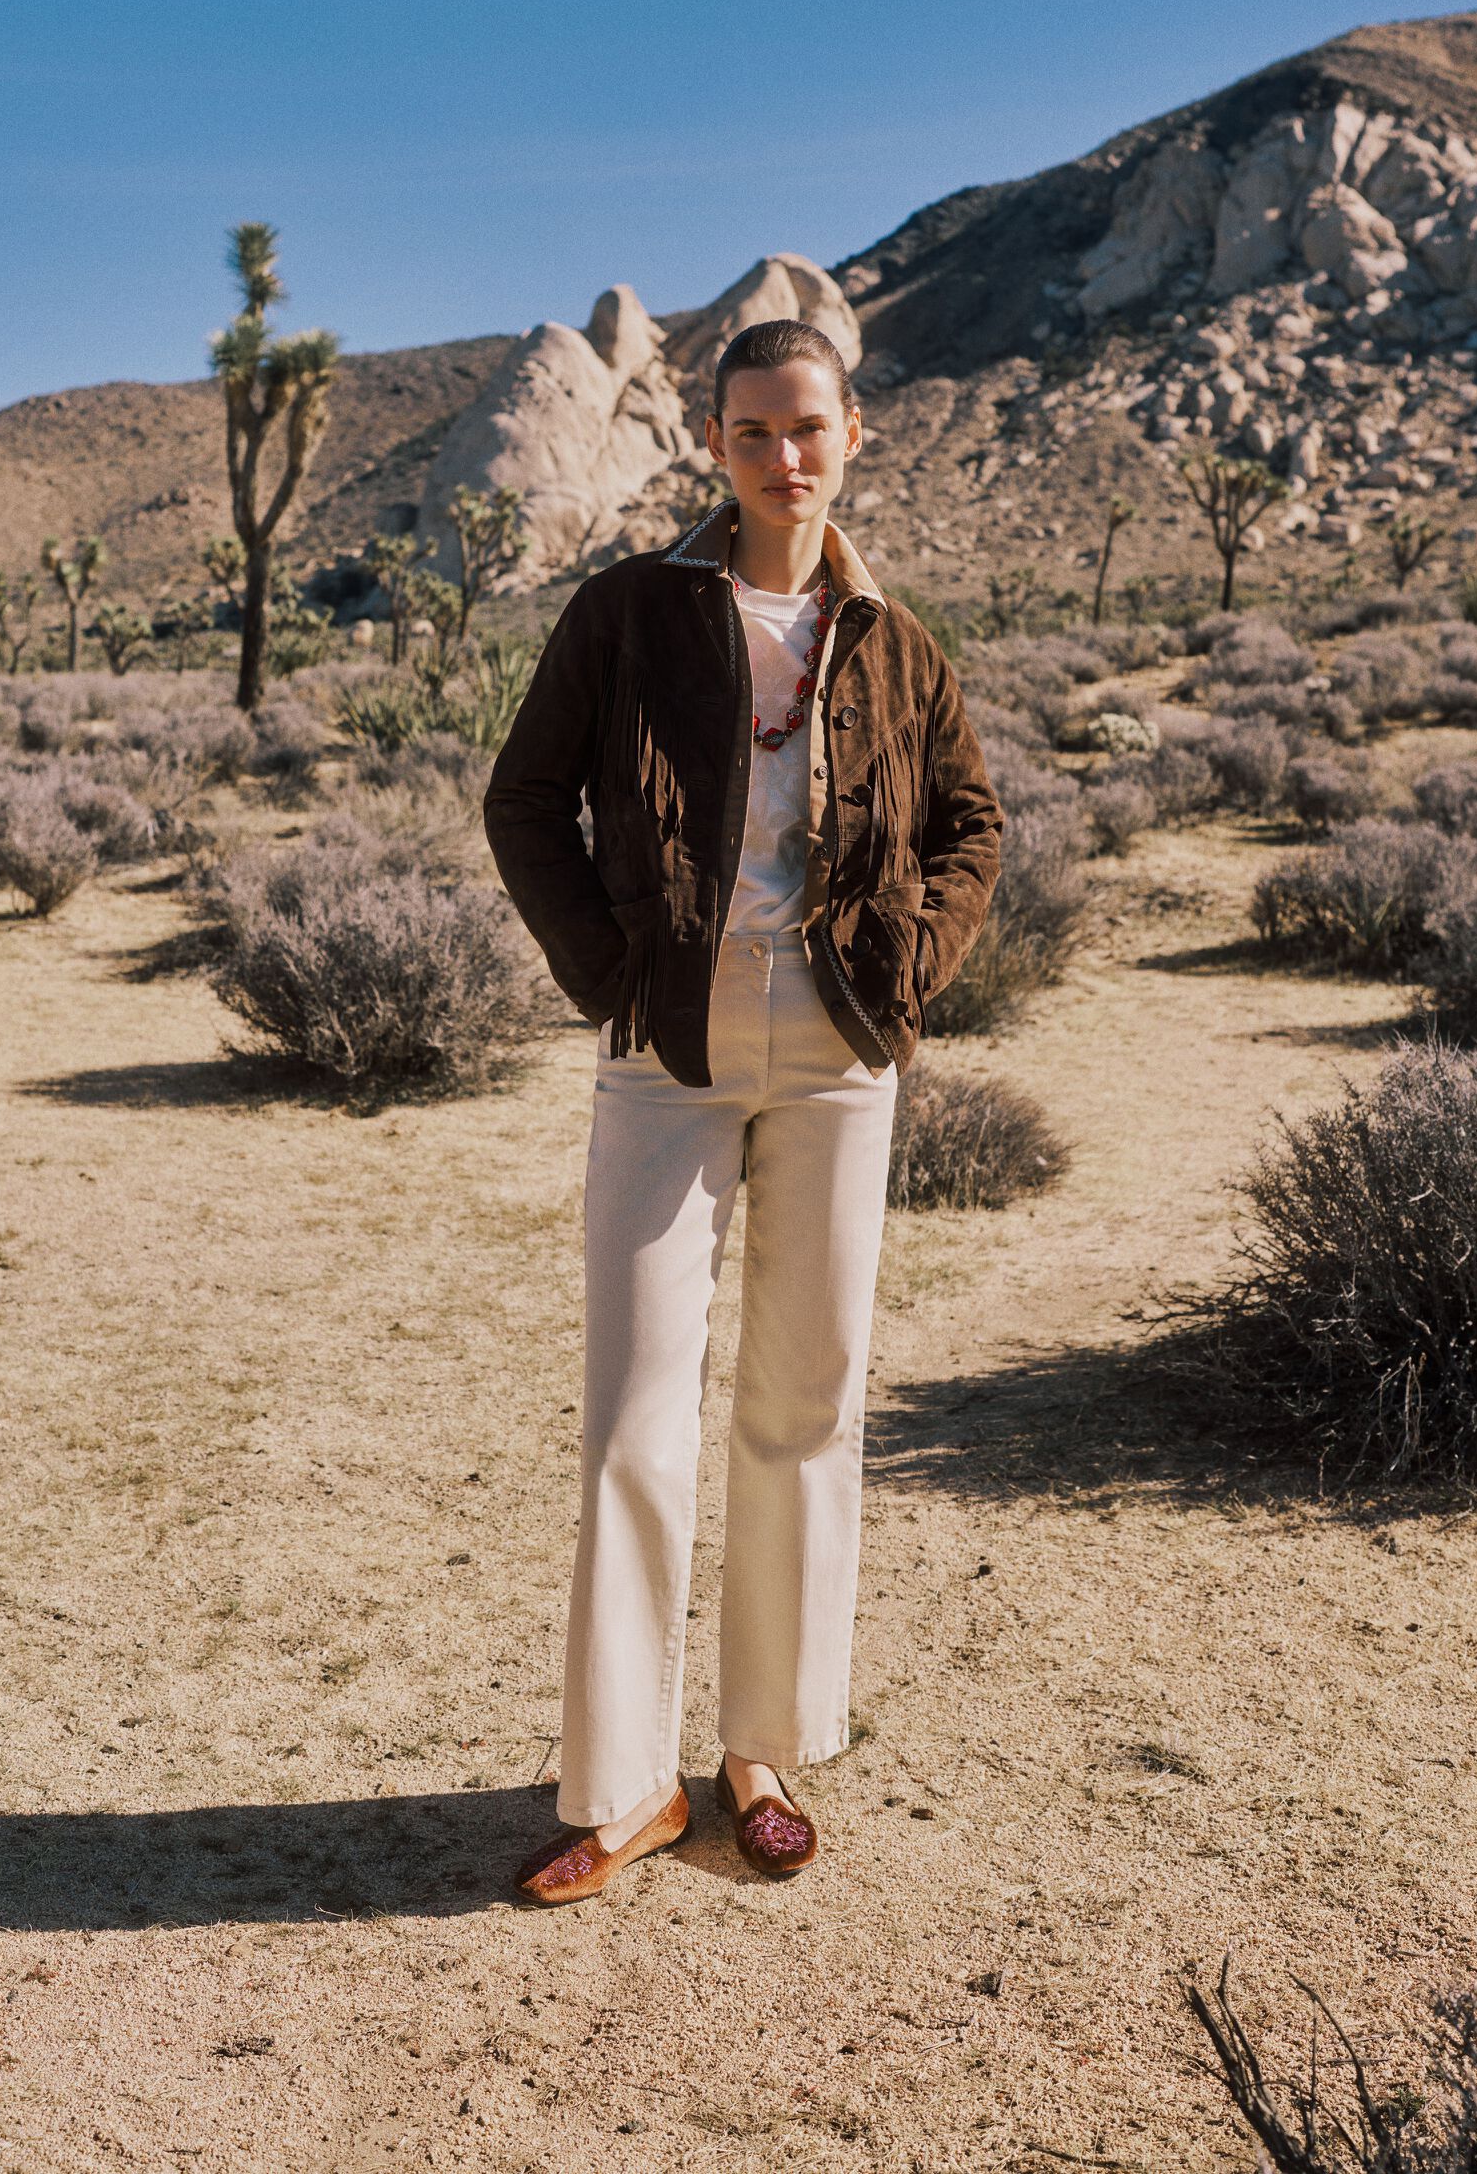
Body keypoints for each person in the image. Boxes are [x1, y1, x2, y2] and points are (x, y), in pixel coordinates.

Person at [483, 317, 1002, 1903]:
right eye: (755, 429)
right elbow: (525, 798)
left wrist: (911, 966)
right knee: (635, 1415)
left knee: (804, 1405)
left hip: (844, 1049)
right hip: (670, 1049)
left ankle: (762, 1749)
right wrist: (609, 970)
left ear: (857, 436)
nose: (786, 455)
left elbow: (975, 825)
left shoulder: (895, 641)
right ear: (715, 443)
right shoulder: (632, 613)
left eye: (810, 427)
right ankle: (625, 1785)